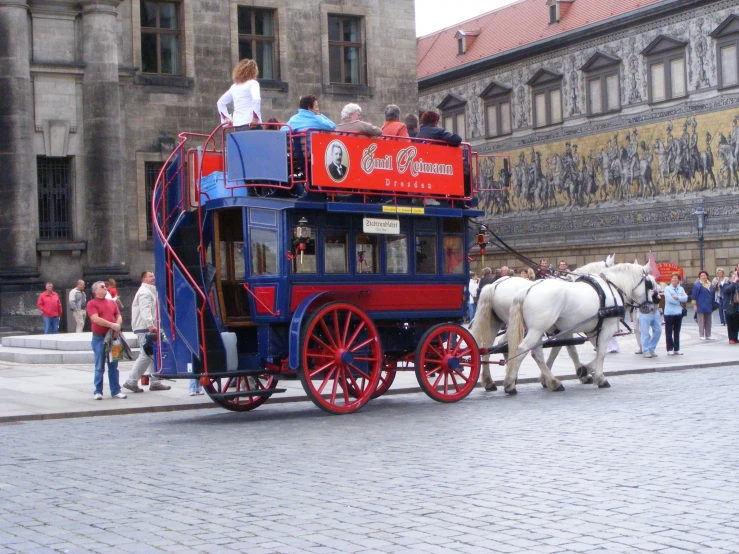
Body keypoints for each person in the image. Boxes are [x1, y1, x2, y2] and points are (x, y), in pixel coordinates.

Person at [122, 271, 171, 393]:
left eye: (154, 275)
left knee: (153, 354)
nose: (153, 277)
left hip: (147, 326)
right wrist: (150, 324)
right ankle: (131, 381)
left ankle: (155, 381)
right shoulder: (145, 292)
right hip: (146, 327)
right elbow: (145, 310)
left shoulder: (150, 291)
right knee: (146, 355)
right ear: (143, 279)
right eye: (150, 276)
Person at [87, 281, 126, 400]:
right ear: (95, 291)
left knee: (114, 365)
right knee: (99, 366)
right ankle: (98, 391)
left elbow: (118, 315)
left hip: (113, 338)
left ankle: (116, 390)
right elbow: (95, 319)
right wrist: (112, 325)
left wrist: (117, 325)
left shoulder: (112, 302)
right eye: (102, 287)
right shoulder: (91, 303)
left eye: (105, 286)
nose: (105, 288)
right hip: (99, 338)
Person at [216, 58, 261, 128]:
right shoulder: (253, 83)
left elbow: (220, 103)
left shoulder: (234, 87)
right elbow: (256, 99)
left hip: (237, 124)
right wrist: (255, 118)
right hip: (250, 123)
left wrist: (226, 118)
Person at [663, 272, 688, 355]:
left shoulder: (681, 289)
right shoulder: (667, 289)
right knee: (669, 331)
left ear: (678, 280)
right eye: (673, 278)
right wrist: (680, 301)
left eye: (676, 278)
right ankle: (669, 349)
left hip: (678, 312)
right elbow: (669, 300)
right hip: (669, 313)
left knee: (677, 331)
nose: (674, 280)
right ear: (671, 279)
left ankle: (677, 349)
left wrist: (678, 298)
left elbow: (686, 298)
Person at [638, 279, 663, 358]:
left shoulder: (655, 288)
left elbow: (658, 297)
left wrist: (655, 293)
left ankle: (651, 348)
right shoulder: (640, 290)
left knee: (658, 330)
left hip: (655, 310)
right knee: (645, 332)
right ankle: (645, 350)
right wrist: (649, 295)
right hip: (645, 311)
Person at [692, 270, 715, 340]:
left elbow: (713, 294)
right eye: (702, 275)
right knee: (701, 321)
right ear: (699, 277)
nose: (703, 277)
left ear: (707, 276)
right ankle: (701, 335)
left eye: (704, 275)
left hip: (708, 305)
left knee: (708, 321)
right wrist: (695, 305)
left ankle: (708, 335)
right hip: (700, 305)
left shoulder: (710, 284)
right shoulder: (697, 285)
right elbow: (694, 295)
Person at [722, 271, 739, 343]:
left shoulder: (737, 284)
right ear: (730, 278)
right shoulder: (726, 284)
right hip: (729, 306)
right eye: (734, 277)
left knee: (736, 323)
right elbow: (727, 290)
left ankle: (735, 337)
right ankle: (731, 338)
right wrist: (734, 282)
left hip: (736, 306)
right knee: (730, 323)